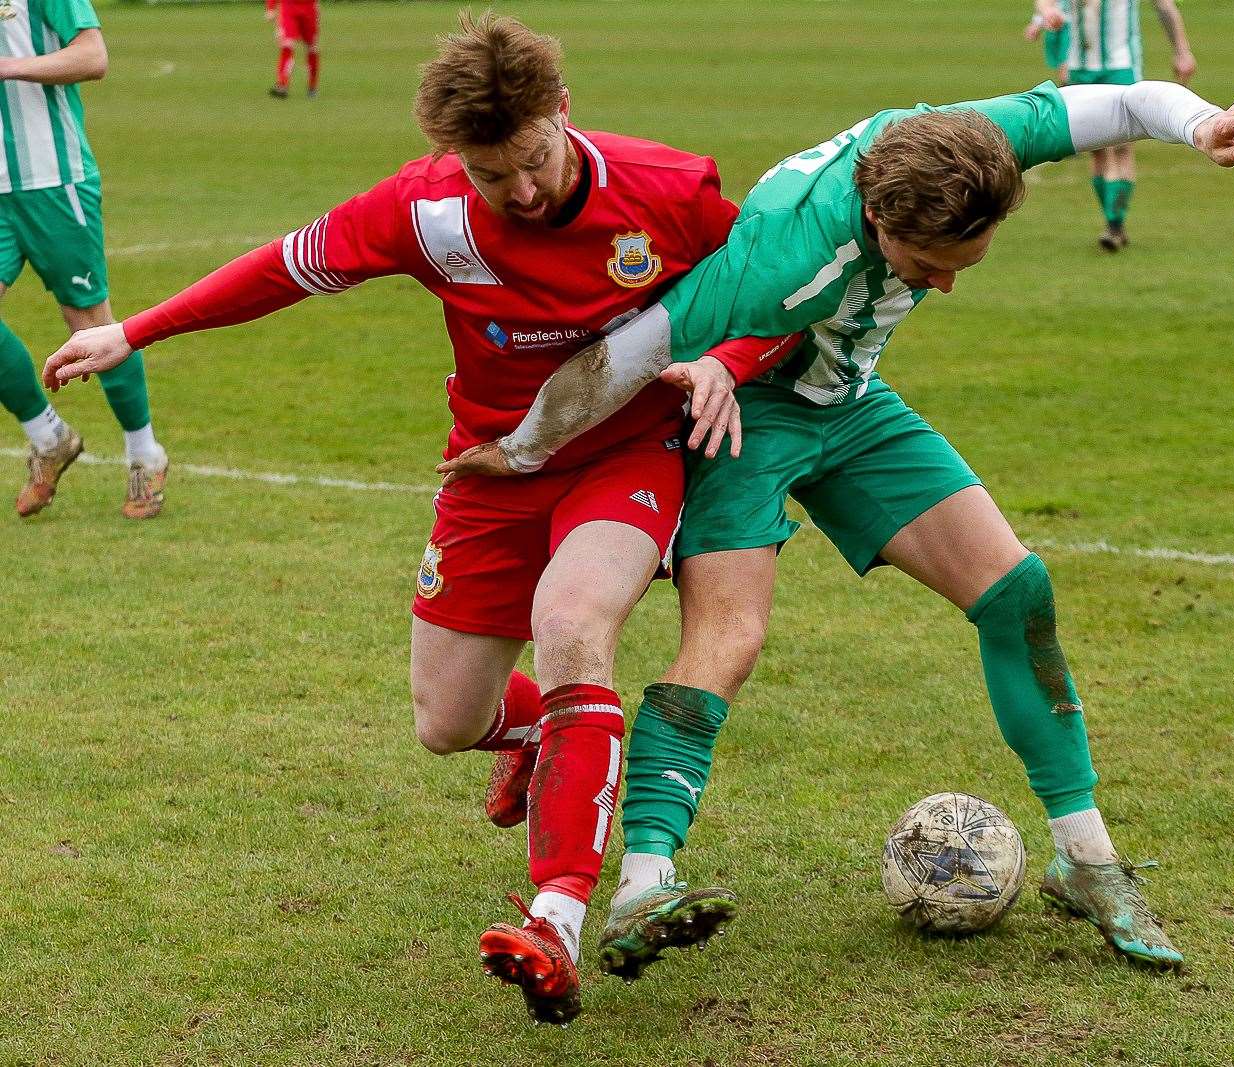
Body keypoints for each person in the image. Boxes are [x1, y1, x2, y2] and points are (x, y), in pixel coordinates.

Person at [438, 74, 1234, 978]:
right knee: (728, 639)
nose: (946, 285)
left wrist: (1198, 125)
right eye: (928, 267)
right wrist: (524, 450)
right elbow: (628, 354)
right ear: (877, 225)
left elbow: (1118, 102)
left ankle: (1087, 859)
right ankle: (645, 882)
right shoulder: (781, 256)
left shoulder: (958, 147)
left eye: (969, 258)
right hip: (748, 421)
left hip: (851, 403)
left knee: (1016, 592)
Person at [44, 13, 792, 1026]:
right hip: (488, 471)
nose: (520, 192)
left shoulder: (666, 188)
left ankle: (559, 916)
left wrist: (725, 362)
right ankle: (543, 735)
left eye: (532, 161)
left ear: (563, 114)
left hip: (625, 454)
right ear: (454, 159)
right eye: (493, 175)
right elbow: (281, 268)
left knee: (574, 624)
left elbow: (775, 291)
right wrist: (134, 330)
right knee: (447, 719)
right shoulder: (424, 208)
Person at [0, 0, 168, 519]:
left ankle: (146, 454)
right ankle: (48, 437)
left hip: (54, 182)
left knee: (90, 323)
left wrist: (8, 68)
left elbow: (92, 56)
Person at [1036, 0, 1196, 251]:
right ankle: (1113, 222)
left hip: (1121, 68)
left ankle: (1114, 225)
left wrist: (1182, 51)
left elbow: (1164, 6)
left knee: (1122, 147)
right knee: (1097, 151)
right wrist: (1045, 12)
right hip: (1081, 70)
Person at [266, 0, 321, 99]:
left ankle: (312, 86)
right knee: (287, 44)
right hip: (288, 7)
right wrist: (271, 7)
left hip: (309, 8)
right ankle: (282, 84)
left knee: (312, 48)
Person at [1024, 1, 1070, 85]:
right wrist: (1037, 22)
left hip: (1076, 27)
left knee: (1067, 71)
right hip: (1059, 27)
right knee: (1063, 71)